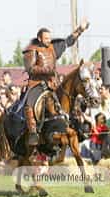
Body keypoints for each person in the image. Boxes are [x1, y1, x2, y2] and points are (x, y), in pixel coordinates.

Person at [22, 18, 90, 146]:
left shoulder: (53, 49)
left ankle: (74, 125)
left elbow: (69, 40)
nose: (49, 40)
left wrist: (81, 29)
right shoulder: (32, 50)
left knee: (68, 98)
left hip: (52, 83)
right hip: (36, 84)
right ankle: (32, 133)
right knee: (29, 104)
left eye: (49, 38)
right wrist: (46, 70)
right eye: (46, 38)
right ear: (40, 38)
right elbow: (30, 68)